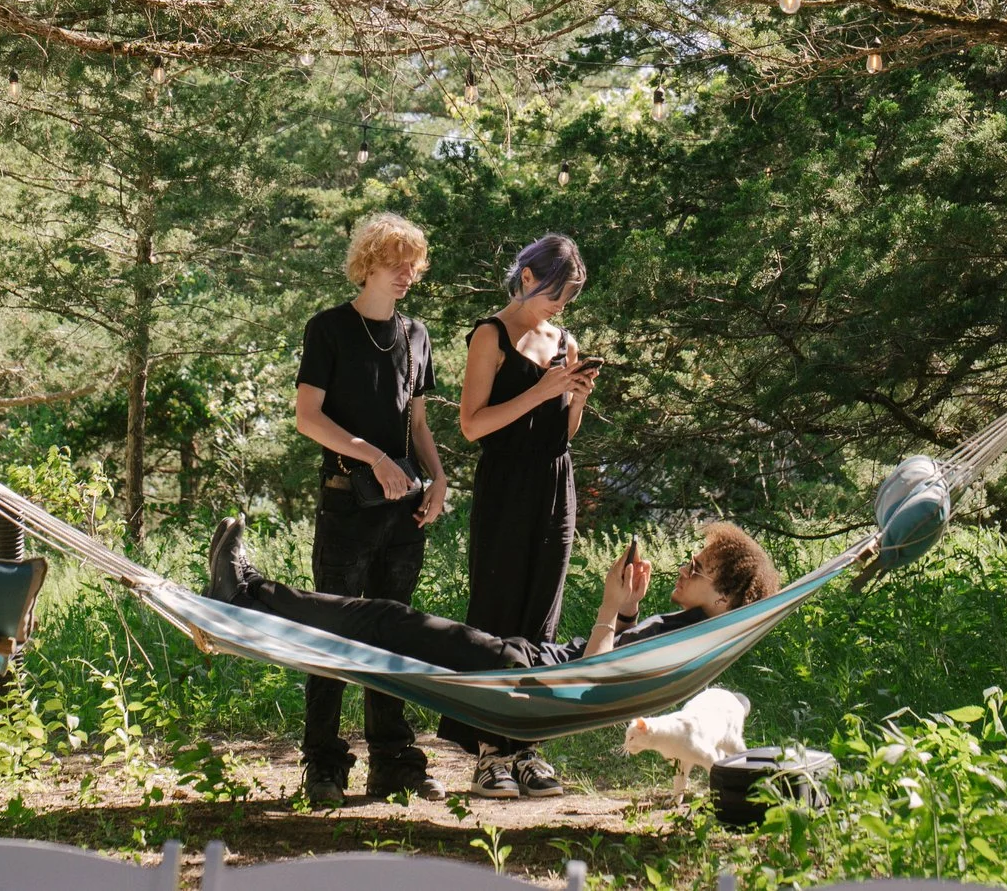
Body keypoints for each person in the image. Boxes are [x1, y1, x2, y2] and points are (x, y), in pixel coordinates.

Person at [289, 212, 449, 805]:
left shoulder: (417, 335)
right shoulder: (328, 328)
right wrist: (372, 457)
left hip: (404, 513)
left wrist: (437, 478)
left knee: (395, 636)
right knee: (330, 635)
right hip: (345, 508)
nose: (408, 273)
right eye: (395, 262)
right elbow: (308, 418)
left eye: (414, 263)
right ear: (368, 264)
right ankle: (324, 767)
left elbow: (419, 422)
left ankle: (394, 764)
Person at [205, 514, 781, 673]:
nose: (685, 567)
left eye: (698, 567)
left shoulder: (690, 641)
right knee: (381, 621)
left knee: (381, 618)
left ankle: (249, 592)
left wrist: (610, 606)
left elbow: (592, 678)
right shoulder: (690, 634)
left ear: (726, 597)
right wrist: (628, 610)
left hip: (522, 669)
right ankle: (250, 597)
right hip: (527, 659)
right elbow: (610, 661)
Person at [449, 233, 598, 798]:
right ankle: (490, 751)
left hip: (556, 484)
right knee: (497, 607)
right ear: (528, 277)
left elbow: (563, 432)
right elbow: (472, 425)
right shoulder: (490, 335)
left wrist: (576, 395)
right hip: (506, 484)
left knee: (542, 611)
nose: (561, 306)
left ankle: (529, 745)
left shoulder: (565, 340)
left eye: (572, 296)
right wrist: (542, 391)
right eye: (556, 292)